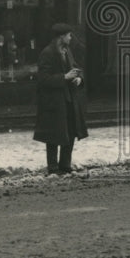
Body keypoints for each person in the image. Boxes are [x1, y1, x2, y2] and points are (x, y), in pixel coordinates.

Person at [33, 23, 88, 175]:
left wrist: (79, 79)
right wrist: (64, 77)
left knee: (70, 132)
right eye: (69, 35)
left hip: (68, 99)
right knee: (53, 135)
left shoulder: (67, 51)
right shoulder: (47, 53)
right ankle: (53, 167)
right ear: (61, 37)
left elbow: (76, 68)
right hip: (54, 102)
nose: (71, 38)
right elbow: (43, 79)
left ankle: (65, 165)